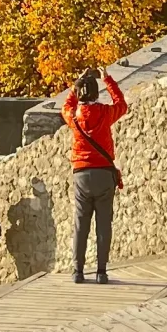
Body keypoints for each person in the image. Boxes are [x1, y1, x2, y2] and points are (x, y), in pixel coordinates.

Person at [62, 66, 128, 283]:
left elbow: (66, 106)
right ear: (96, 93)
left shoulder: (74, 116)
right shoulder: (106, 113)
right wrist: (107, 78)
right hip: (103, 174)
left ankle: (78, 271)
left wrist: (77, 83)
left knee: (81, 224)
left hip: (81, 173)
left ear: (81, 93)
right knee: (103, 224)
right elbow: (122, 104)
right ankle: (101, 272)